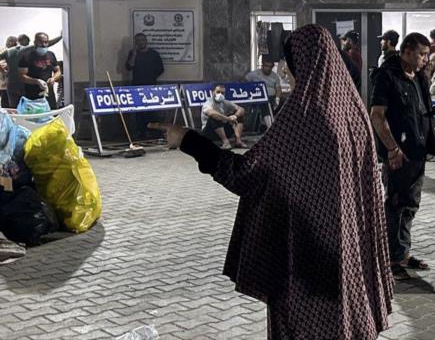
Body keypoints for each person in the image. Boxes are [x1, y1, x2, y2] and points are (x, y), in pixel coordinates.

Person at [150, 24, 393, 339]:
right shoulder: (354, 112)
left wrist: (188, 140)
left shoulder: (304, 116)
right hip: (347, 259)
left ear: (300, 65)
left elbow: (247, 174)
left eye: (290, 66)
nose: (288, 75)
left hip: (306, 261)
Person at [370, 32, 435, 281]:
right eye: (422, 54)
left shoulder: (419, 77)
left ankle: (401, 253)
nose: (426, 59)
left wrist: (433, 110)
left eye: (426, 55)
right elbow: (377, 115)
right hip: (398, 154)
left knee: (410, 205)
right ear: (406, 51)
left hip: (418, 151)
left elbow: (416, 108)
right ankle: (389, 259)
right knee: (395, 205)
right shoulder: (387, 76)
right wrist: (392, 149)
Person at [125, 33, 164, 139]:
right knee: (139, 111)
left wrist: (151, 77)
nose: (140, 42)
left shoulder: (153, 54)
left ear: (146, 41)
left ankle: (153, 132)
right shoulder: (133, 53)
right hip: (137, 86)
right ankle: (141, 132)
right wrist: (134, 54)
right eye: (137, 40)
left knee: (152, 110)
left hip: (151, 86)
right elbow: (129, 67)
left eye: (142, 40)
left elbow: (160, 69)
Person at [18, 32, 61, 110]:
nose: (44, 44)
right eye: (41, 42)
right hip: (32, 97)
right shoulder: (26, 56)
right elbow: (21, 76)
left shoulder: (51, 55)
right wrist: (37, 81)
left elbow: (58, 71)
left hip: (48, 95)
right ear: (35, 42)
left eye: (46, 42)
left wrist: (53, 78)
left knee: (51, 118)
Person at [201, 84, 247, 149]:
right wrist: (228, 119)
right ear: (213, 92)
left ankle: (238, 141)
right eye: (218, 92)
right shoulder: (208, 103)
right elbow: (211, 113)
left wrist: (235, 116)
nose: (220, 94)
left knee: (239, 115)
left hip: (223, 130)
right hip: (208, 133)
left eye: (222, 93)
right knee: (215, 116)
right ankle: (226, 142)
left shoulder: (225, 102)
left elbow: (241, 109)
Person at [246, 56, 283, 131]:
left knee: (284, 101)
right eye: (266, 66)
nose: (268, 68)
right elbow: (244, 80)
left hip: (272, 97)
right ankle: (269, 126)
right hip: (259, 98)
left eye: (270, 66)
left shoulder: (275, 76)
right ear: (262, 65)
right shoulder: (254, 74)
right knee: (265, 104)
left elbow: (278, 89)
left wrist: (278, 98)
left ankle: (265, 123)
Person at [0, 36, 18, 108]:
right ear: (10, 43)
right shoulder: (1, 52)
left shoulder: (16, 51)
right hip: (5, 86)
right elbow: (2, 65)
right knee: (6, 109)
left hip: (17, 87)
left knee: (16, 109)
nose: (16, 46)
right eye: (15, 44)